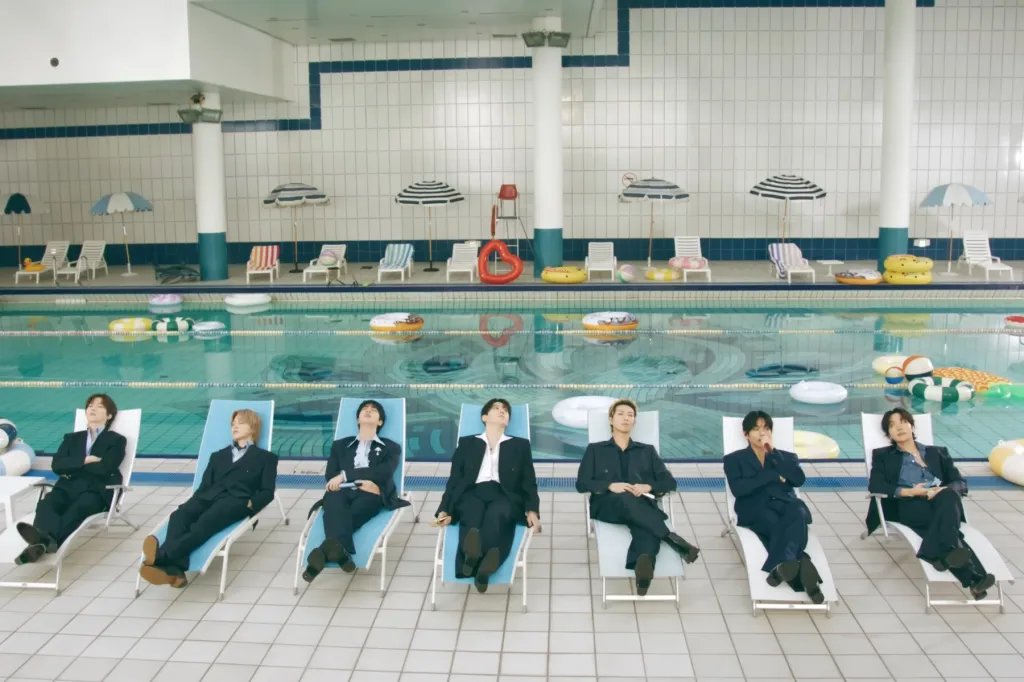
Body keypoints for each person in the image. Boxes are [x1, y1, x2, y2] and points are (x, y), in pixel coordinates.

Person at [140, 408, 278, 588]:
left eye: (240, 423)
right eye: (233, 424)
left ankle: (161, 556)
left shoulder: (266, 458)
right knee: (179, 516)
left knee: (205, 523)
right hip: (207, 496)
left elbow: (268, 491)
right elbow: (205, 485)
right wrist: (193, 503)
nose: (235, 427)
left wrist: (251, 504)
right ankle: (174, 570)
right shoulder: (218, 456)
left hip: (236, 500)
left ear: (253, 427)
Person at [867, 407, 995, 600]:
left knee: (949, 496)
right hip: (911, 504)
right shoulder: (883, 456)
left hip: (942, 502)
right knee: (948, 528)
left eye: (903, 422)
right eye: (892, 425)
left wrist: (940, 490)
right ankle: (973, 578)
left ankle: (942, 557)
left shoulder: (938, 452)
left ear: (911, 425)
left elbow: (960, 483)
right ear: (889, 434)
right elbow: (876, 485)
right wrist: (913, 491)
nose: (899, 427)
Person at [576, 399, 700, 596]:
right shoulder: (595, 450)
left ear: (634, 421)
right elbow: (581, 483)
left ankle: (644, 570)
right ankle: (669, 537)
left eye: (630, 415)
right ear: (611, 419)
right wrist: (610, 485)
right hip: (608, 505)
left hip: (641, 507)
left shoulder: (647, 451)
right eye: (621, 414)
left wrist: (647, 486)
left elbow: (669, 482)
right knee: (629, 500)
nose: (626, 418)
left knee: (647, 531)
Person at [435, 398, 541, 592]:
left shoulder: (520, 446)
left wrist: (533, 510)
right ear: (484, 417)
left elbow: (529, 481)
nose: (502, 411)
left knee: (498, 516)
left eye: (505, 410)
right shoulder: (467, 443)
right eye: (496, 408)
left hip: (505, 494)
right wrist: (444, 509)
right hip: (472, 491)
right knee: (472, 512)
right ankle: (485, 566)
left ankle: (473, 560)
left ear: (508, 420)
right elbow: (455, 479)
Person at [302, 399, 409, 582]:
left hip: (371, 492)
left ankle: (322, 555)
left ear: (380, 422)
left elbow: (383, 472)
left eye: (374, 410)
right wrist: (342, 479)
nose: (368, 410)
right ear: (358, 419)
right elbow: (330, 474)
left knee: (342, 514)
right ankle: (338, 552)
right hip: (339, 491)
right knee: (335, 503)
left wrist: (345, 475)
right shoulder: (340, 445)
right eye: (364, 409)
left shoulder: (391, 447)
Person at [723, 410, 824, 604]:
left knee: (798, 511)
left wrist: (773, 454)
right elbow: (739, 489)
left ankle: (781, 570)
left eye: (766, 428)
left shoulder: (786, 457)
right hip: (755, 509)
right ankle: (804, 571)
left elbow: (798, 479)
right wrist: (772, 476)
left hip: (787, 506)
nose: (762, 433)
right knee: (779, 524)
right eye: (756, 429)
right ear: (746, 434)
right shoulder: (734, 459)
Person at [16, 394, 126, 565]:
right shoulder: (72, 438)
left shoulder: (116, 440)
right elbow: (57, 466)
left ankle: (41, 543)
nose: (92, 409)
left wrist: (72, 465)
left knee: (77, 509)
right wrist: (85, 460)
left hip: (96, 490)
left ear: (109, 415)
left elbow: (106, 467)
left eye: (99, 406)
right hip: (67, 487)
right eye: (90, 405)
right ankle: (44, 543)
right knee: (47, 504)